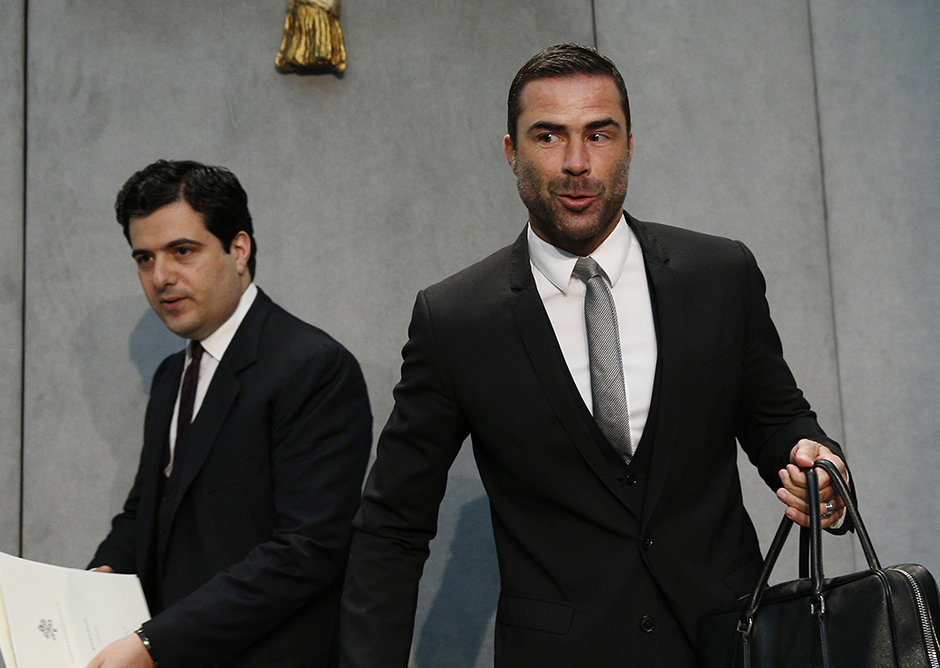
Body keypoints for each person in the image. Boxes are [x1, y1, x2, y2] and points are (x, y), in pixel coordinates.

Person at [339, 44, 849, 668]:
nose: (576, 163)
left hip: (729, 642)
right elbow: (392, 525)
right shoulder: (455, 320)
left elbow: (779, 421)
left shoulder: (719, 274)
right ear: (511, 152)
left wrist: (819, 471)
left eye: (598, 134)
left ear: (629, 144)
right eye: (548, 135)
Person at [85, 160, 373, 668]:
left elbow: (304, 552)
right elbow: (146, 512)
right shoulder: (173, 374)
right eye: (144, 258)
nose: (161, 277)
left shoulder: (312, 367)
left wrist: (155, 643)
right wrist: (101, 576)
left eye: (182, 251)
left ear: (238, 250)